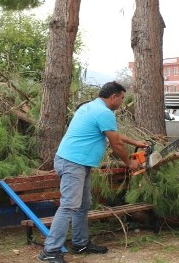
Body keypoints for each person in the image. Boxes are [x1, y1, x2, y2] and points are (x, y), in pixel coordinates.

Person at [38, 81, 148, 263]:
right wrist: (129, 163)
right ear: (113, 97)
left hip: (78, 162)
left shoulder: (91, 107)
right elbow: (116, 143)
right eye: (121, 98)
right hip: (73, 163)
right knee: (69, 206)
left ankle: (80, 243)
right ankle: (50, 251)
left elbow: (114, 135)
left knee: (82, 205)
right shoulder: (104, 112)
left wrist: (135, 143)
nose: (121, 102)